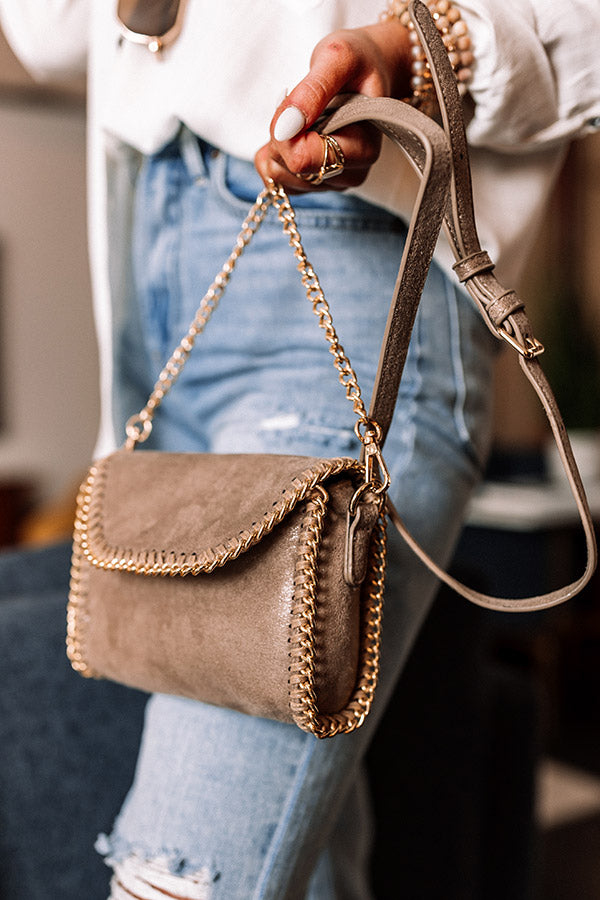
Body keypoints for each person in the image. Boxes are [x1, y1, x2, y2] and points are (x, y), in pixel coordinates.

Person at [1, 1, 599, 897]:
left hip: (359, 240)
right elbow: (47, 35)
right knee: (305, 861)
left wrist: (426, 47)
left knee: (176, 880)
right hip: (152, 258)